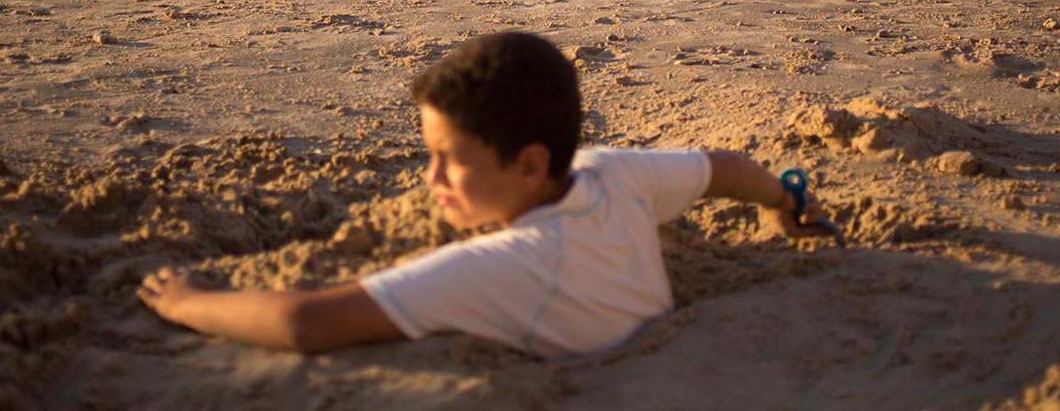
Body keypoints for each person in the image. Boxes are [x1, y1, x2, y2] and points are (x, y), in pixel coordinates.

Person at [137, 31, 833, 358]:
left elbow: (305, 325)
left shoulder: (510, 264)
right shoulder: (608, 173)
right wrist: (783, 201)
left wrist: (188, 299)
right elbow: (724, 169)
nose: (430, 179)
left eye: (448, 161)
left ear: (531, 165)